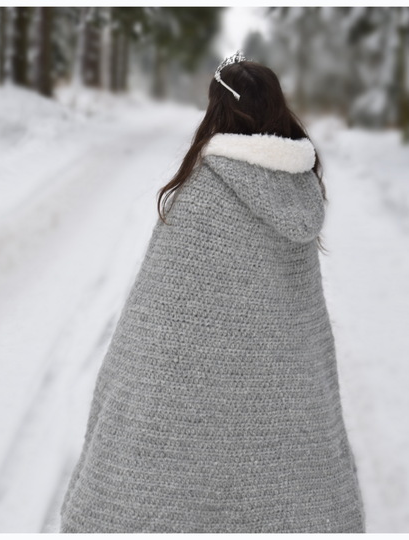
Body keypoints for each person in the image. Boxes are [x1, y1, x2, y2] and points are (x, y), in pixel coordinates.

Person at [59, 52, 365, 533]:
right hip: (279, 402)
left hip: (193, 421)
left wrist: (129, 394)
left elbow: (153, 328)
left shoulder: (203, 194)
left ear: (217, 110)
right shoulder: (299, 190)